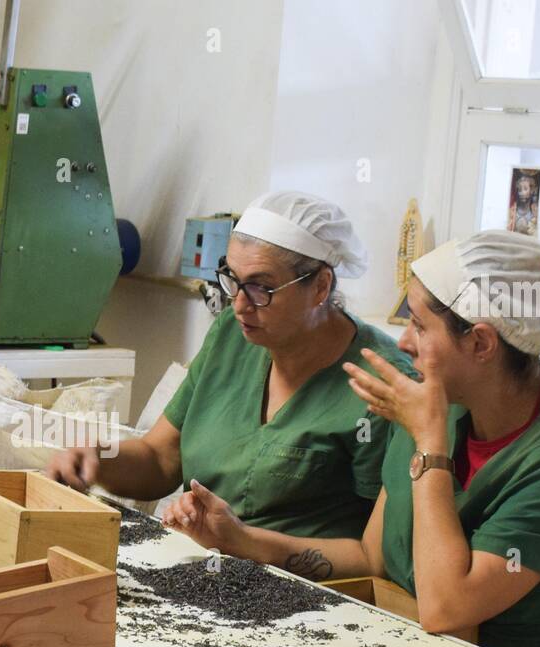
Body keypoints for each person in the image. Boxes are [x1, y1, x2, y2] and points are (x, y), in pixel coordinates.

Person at [175, 230, 540, 647]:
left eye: (419, 324)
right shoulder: (437, 401)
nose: (404, 342)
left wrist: (429, 445)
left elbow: (445, 609)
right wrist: (243, 539)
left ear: (481, 343)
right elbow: (372, 555)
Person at [48, 191, 414, 579]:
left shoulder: (384, 383)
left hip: (307, 596)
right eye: (232, 280)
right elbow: (159, 459)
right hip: (207, 571)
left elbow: (375, 560)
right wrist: (96, 457)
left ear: (321, 287)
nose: (239, 304)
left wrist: (247, 543)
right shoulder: (231, 336)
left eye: (261, 288)